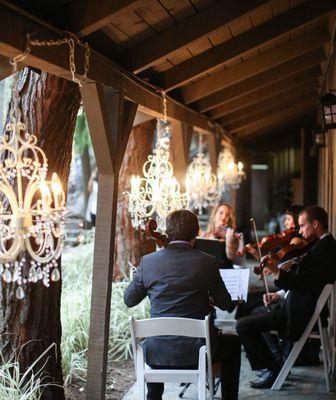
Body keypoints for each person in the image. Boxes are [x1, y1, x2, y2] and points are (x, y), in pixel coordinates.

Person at [124, 209, 241, 400]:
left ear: (168, 233)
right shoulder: (208, 262)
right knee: (234, 342)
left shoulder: (148, 262)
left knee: (156, 341)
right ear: (196, 233)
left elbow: (129, 299)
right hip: (197, 353)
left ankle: (154, 396)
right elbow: (226, 304)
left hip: (157, 354)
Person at [236, 205, 336, 389]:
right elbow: (306, 282)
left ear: (315, 224)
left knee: (243, 325)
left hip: (298, 314)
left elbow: (303, 283)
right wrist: (279, 294)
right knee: (255, 313)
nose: (299, 231)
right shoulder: (322, 246)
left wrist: (276, 272)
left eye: (302, 226)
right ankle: (276, 366)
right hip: (299, 307)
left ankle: (273, 369)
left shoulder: (324, 250)